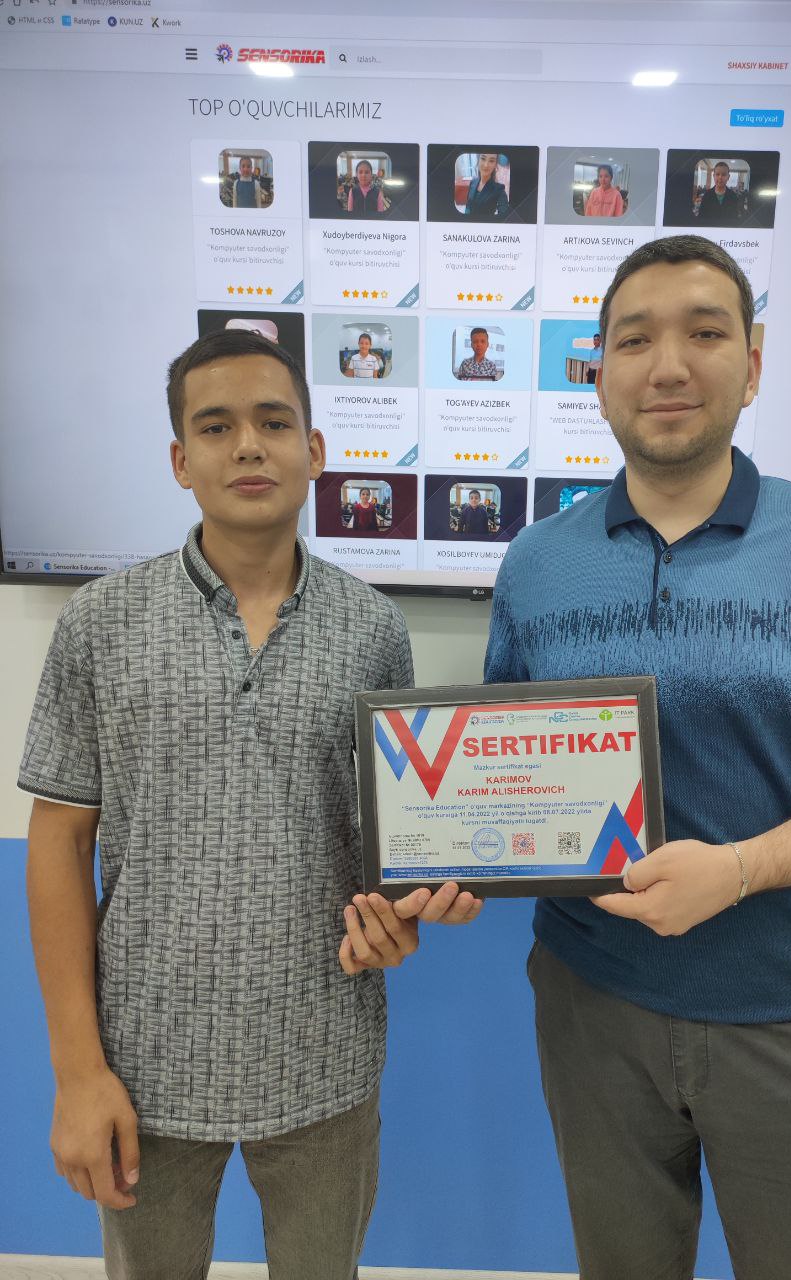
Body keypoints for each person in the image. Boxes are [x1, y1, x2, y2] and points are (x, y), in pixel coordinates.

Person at [482, 235, 791, 1280]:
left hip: (788, 1013)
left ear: (752, 363)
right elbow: (505, 784)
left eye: (704, 333)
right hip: (590, 1008)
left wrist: (739, 869)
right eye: (634, 340)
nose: (667, 366)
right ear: (596, 372)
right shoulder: (536, 563)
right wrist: (453, 870)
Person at [19, 328, 480, 1280]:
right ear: (180, 460)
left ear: (315, 450)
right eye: (216, 426)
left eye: (273, 422)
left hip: (325, 1054)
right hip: (143, 1062)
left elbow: (386, 844)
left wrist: (401, 916)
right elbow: (59, 842)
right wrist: (77, 1072)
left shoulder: (373, 629)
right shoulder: (100, 622)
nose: (247, 447)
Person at [463, 151, 509, 219]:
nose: (486, 165)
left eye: (491, 161)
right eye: (483, 158)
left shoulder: (499, 189)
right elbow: (468, 206)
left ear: (495, 165)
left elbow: (504, 217)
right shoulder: (472, 182)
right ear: (478, 160)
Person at [695, 160, 742, 226]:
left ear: (728, 177)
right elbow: (701, 217)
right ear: (713, 176)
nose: (720, 177)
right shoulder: (707, 195)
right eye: (717, 174)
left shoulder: (733, 196)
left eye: (724, 174)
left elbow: (735, 219)